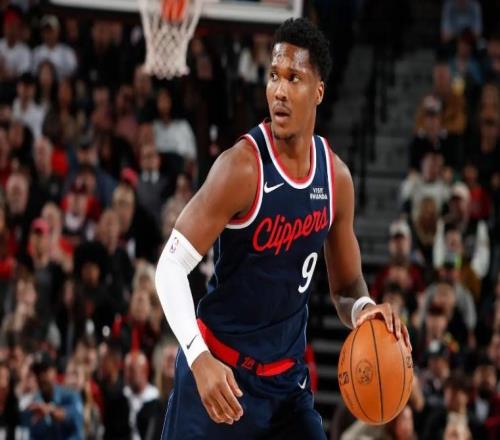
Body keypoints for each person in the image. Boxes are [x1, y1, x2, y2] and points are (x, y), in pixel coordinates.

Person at [155, 18, 411, 439]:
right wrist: (198, 358)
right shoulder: (241, 168)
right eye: (274, 75)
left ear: (319, 91)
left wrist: (364, 309)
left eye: (294, 78)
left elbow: (347, 286)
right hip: (219, 374)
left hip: (284, 387)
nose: (279, 90)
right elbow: (169, 268)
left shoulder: (336, 179)